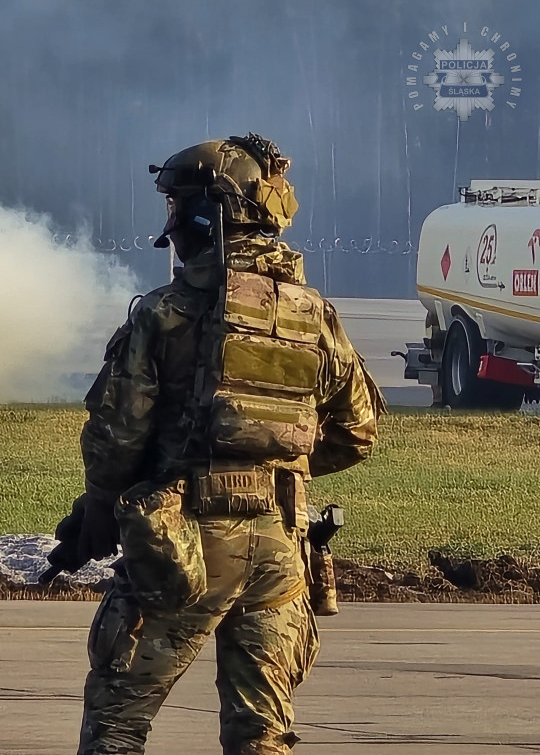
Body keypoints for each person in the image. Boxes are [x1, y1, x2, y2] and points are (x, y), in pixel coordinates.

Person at [64, 134, 385, 754]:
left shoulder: (164, 314)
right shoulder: (314, 315)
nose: (172, 227)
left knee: (117, 723)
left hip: (184, 545)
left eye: (179, 209)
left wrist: (103, 507)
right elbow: (356, 430)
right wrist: (271, 469)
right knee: (261, 735)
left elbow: (117, 434)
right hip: (280, 549)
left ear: (210, 214)